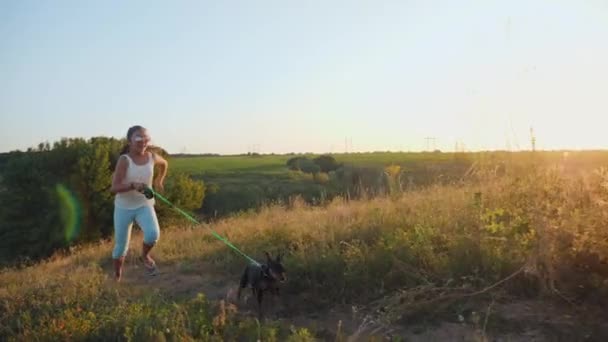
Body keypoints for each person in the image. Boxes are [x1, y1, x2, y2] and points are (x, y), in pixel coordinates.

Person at [110, 125, 168, 281]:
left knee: (153, 234)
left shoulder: (152, 157)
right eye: (138, 138)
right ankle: (117, 276)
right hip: (124, 208)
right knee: (120, 248)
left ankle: (145, 256)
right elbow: (114, 188)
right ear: (129, 141)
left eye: (146, 138)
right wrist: (132, 185)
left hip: (144, 205)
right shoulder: (124, 160)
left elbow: (164, 164)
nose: (143, 141)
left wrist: (159, 180)